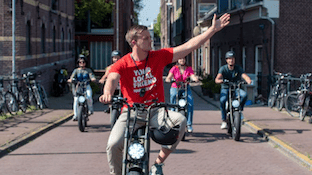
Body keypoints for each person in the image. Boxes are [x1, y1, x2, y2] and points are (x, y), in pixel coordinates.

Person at [99, 13, 230, 175]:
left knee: (180, 121)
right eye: (146, 38)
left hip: (156, 110)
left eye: (149, 37)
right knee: (112, 145)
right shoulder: (123, 63)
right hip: (131, 111)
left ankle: (158, 163)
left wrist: (212, 31)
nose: (150, 40)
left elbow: (188, 46)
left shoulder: (158, 57)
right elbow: (112, 79)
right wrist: (107, 93)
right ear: (134, 42)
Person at [215, 51, 252, 129]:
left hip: (235, 88)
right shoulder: (223, 68)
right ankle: (224, 120)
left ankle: (239, 110)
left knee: (244, 95)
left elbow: (244, 75)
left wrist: (248, 80)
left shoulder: (238, 68)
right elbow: (217, 79)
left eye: (232, 59)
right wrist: (220, 80)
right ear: (226, 60)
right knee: (222, 100)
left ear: (234, 60)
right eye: (229, 59)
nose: (231, 60)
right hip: (226, 88)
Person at [165, 57, 199, 133]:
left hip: (185, 87)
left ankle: (189, 124)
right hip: (175, 87)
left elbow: (192, 76)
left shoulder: (188, 68)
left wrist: (195, 79)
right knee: (173, 99)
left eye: (183, 59)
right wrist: (169, 80)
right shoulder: (174, 68)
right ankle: (172, 121)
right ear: (178, 60)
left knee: (190, 103)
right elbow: (168, 77)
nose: (182, 60)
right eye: (180, 59)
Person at [68, 55, 97, 121]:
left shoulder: (88, 70)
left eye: (83, 62)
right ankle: (75, 115)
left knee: (89, 97)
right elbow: (72, 77)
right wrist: (70, 80)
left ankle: (90, 109)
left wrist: (93, 79)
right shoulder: (76, 70)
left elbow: (91, 75)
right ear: (78, 63)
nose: (82, 63)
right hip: (78, 87)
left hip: (86, 86)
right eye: (80, 62)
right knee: (76, 100)